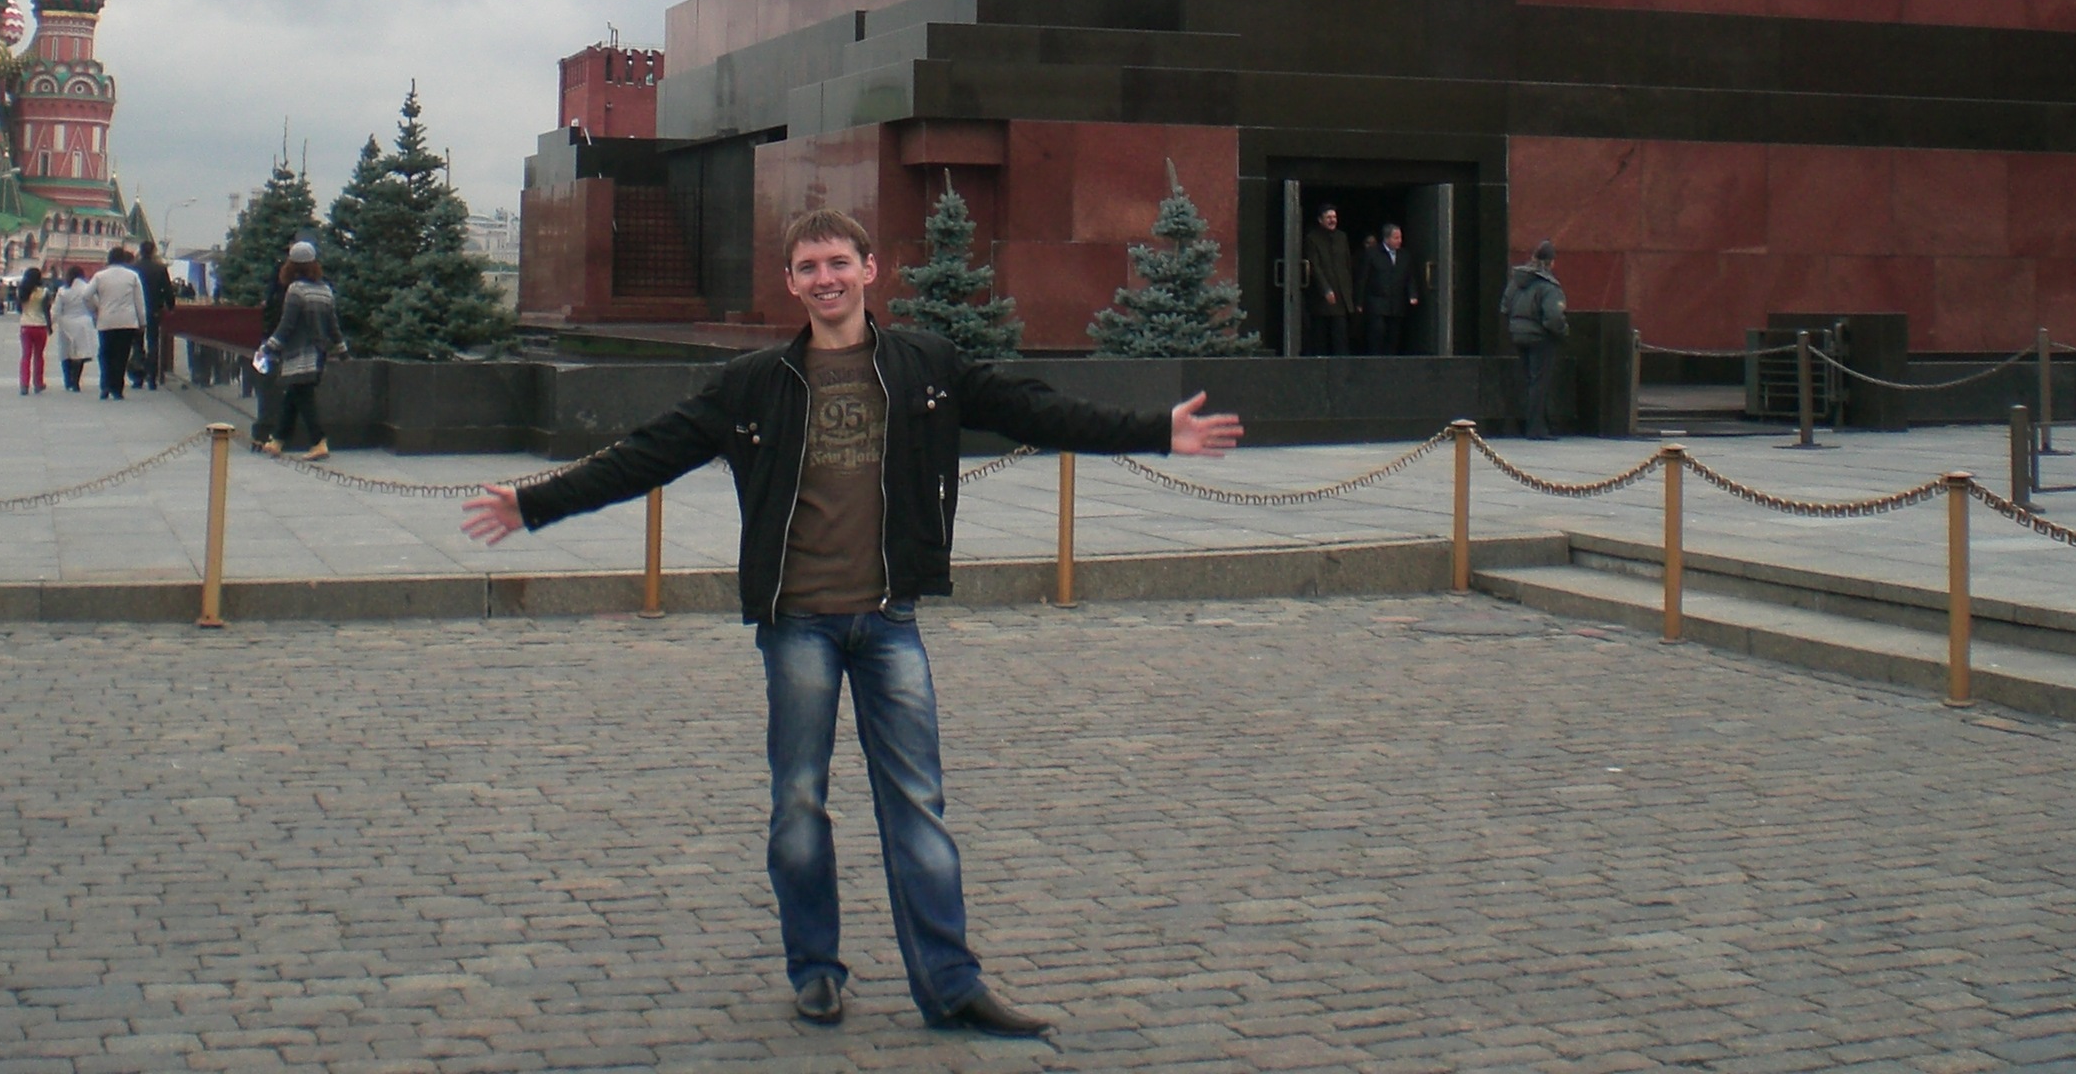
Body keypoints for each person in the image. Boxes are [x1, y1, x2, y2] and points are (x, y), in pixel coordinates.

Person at [461, 207, 1247, 1038]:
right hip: (797, 624)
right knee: (799, 807)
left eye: (838, 262)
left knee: (918, 807)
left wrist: (1156, 432)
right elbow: (646, 454)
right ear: (791, 282)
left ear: (870, 270)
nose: (825, 278)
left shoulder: (925, 366)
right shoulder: (753, 383)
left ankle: (950, 985)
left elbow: (1037, 411)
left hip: (888, 619)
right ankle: (815, 971)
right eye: (808, 267)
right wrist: (534, 504)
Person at [256, 243, 347, 459]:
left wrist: (267, 348)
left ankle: (318, 441)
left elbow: (287, 326)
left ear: (291, 265)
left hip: (298, 353)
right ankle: (277, 440)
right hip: (319, 354)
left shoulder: (296, 290)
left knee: (304, 398)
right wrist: (341, 348)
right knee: (294, 395)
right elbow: (333, 324)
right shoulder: (325, 290)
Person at [1499, 240, 1569, 438]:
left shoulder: (1516, 281)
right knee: (1539, 383)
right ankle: (1536, 428)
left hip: (1517, 335)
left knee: (1526, 380)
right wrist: (1563, 331)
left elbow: (1505, 307)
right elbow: (1554, 317)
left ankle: (1520, 425)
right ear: (1551, 262)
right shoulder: (1549, 286)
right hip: (1540, 338)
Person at [88, 247, 147, 402]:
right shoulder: (132, 276)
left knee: (105, 353)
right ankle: (117, 388)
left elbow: (86, 295)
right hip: (127, 321)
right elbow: (139, 302)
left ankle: (105, 385)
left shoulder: (100, 276)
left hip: (106, 320)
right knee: (121, 355)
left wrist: (95, 309)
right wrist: (142, 322)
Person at [1358, 224, 1422, 356]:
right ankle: (1375, 359)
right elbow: (1363, 278)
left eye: (1400, 237)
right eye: (1396, 238)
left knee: (1393, 336)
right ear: (1386, 239)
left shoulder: (1405, 255)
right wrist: (1359, 302)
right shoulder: (1372, 254)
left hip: (1396, 302)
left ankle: (1390, 361)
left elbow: (1410, 277)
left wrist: (1413, 294)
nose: (1399, 241)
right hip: (1376, 302)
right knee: (1377, 332)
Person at [1301, 203, 1354, 357]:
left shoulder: (1342, 237)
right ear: (1320, 220)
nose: (1332, 220)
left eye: (1334, 217)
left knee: (1341, 337)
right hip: (1321, 298)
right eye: (1328, 217)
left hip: (1341, 295)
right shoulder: (1312, 238)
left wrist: (1349, 292)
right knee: (1320, 337)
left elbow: (1347, 264)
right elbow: (1314, 266)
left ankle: (1342, 368)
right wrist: (1325, 289)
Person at [137, 242, 175, 390]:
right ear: (153, 252)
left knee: (137, 344)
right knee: (153, 342)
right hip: (154, 309)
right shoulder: (160, 269)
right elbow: (167, 290)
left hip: (136, 310)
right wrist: (170, 306)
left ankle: (137, 376)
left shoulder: (133, 268)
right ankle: (152, 377)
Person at [54, 266, 98, 392]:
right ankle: (76, 381)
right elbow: (94, 304)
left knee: (66, 353)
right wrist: (94, 315)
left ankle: (67, 379)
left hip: (66, 322)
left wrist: (52, 323)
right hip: (83, 323)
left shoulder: (63, 290)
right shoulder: (87, 288)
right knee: (80, 353)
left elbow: (56, 310)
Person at [18, 267, 53, 396]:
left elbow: (19, 309)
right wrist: (49, 326)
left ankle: (24, 384)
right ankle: (38, 383)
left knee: (25, 356)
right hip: (40, 326)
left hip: (25, 326)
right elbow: (46, 311)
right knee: (39, 356)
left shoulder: (22, 291)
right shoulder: (44, 292)